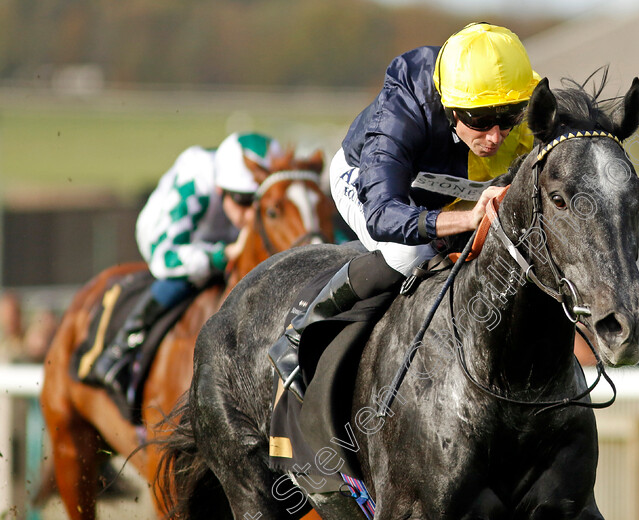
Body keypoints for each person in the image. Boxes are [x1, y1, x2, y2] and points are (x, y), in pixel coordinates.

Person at [270, 22, 540, 395]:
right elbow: (383, 215)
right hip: (367, 181)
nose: (495, 136)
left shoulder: (519, 94)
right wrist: (466, 218)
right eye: (479, 121)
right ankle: (300, 333)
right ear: (450, 105)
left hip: (449, 190)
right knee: (410, 251)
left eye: (508, 118)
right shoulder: (403, 108)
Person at [85, 132, 285, 397]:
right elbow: (165, 258)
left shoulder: (242, 191)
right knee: (189, 277)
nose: (250, 214)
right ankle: (121, 349)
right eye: (242, 201)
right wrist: (220, 256)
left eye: (256, 202)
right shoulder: (196, 185)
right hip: (170, 242)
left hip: (223, 238)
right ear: (220, 190)